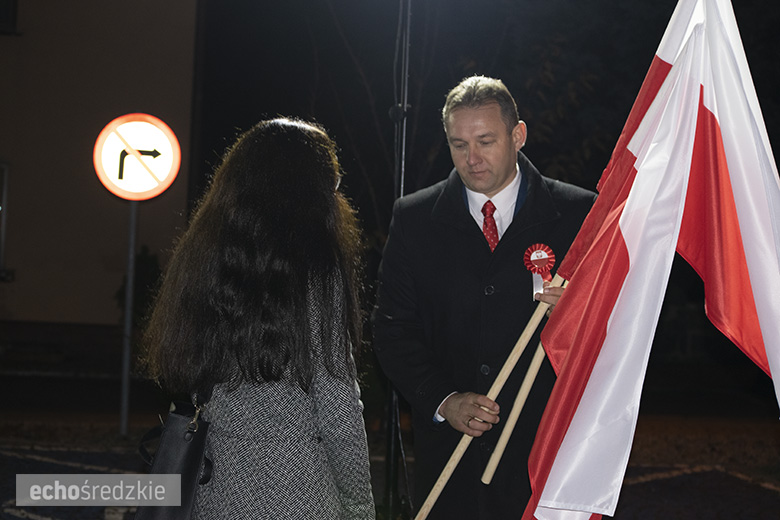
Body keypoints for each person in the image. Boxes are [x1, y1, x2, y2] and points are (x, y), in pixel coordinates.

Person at [372, 76, 596, 519]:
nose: (471, 159)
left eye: (485, 141)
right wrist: (443, 399)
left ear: (518, 135)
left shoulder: (578, 214)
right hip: (450, 464)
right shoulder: (414, 218)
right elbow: (392, 331)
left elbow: (620, 327)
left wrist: (579, 312)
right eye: (458, 144)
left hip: (547, 454)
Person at [143, 118, 376, 520]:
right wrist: (358, 505)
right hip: (299, 493)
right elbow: (338, 409)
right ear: (311, 192)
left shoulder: (202, 256)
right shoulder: (317, 269)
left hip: (215, 491)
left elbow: (181, 369)